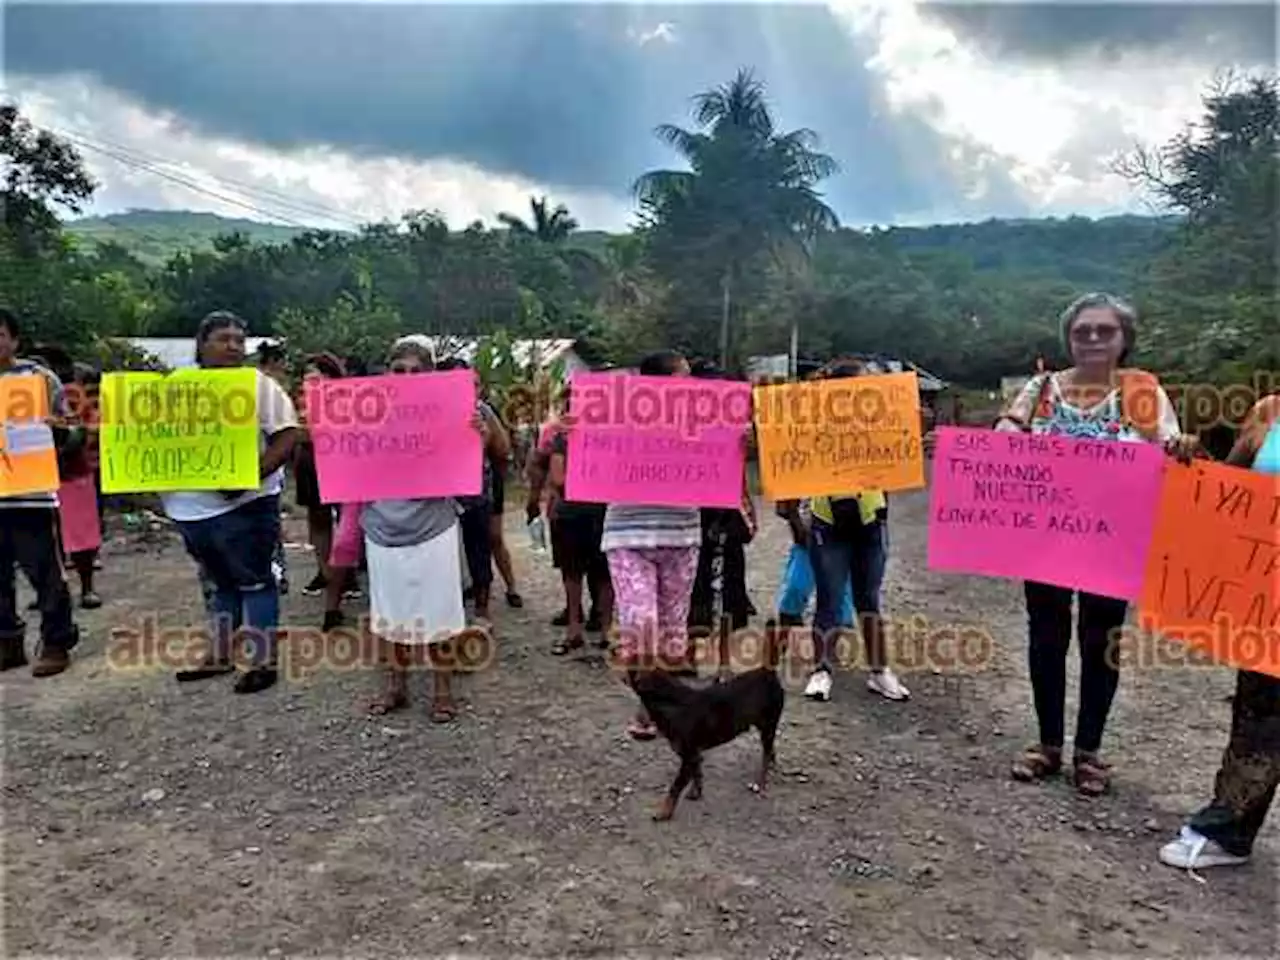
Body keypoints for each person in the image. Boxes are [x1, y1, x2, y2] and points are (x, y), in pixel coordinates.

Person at [998, 292, 1198, 795]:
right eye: (1082, 330)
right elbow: (1008, 426)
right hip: (1044, 535)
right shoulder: (1042, 387)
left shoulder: (1143, 392)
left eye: (1104, 330)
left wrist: (1180, 449)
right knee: (1046, 635)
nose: (1091, 338)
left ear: (1124, 339)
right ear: (1068, 336)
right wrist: (1005, 435)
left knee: (1100, 639)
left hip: (1113, 536)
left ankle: (1089, 751)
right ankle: (1047, 744)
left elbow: (1168, 447)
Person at [1159, 392, 1279, 870]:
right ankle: (1228, 831)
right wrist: (1192, 458)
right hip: (1269, 598)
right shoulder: (1269, 412)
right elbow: (1226, 493)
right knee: (1260, 713)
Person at [164, 311, 299, 695]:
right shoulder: (176, 386)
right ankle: (221, 653)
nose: (234, 346)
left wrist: (250, 475)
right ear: (201, 343)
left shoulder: (257, 385)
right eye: (224, 338)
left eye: (240, 340)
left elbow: (288, 436)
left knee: (255, 581)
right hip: (190, 509)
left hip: (247, 506)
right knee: (221, 583)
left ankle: (262, 660)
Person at [362, 339, 485, 722]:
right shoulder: (364, 413)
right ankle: (395, 687)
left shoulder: (452, 411)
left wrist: (477, 432)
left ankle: (443, 691)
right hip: (382, 525)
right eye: (399, 370)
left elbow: (493, 454)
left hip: (434, 526)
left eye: (417, 371)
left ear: (431, 374)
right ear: (387, 373)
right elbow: (345, 460)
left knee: (441, 611)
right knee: (388, 612)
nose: (407, 378)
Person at [604, 350, 703, 741]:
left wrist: (739, 441)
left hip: (682, 532)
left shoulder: (704, 419)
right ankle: (651, 702)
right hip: (629, 534)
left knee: (673, 635)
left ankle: (656, 704)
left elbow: (728, 462)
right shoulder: (616, 416)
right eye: (684, 376)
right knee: (641, 627)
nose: (691, 385)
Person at [803, 357, 910, 704]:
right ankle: (821, 669)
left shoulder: (881, 421)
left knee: (869, 599)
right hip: (828, 520)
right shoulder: (812, 423)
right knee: (829, 600)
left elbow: (901, 455)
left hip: (870, 519)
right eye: (863, 383)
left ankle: (880, 671)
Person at [0, 309, 82, 677]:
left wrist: (57, 432)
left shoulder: (37, 378)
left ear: (14, 340)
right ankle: (8, 642)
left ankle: (56, 641)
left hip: (29, 494)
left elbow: (73, 428)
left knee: (44, 570)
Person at [435, 357, 509, 626]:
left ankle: (482, 612)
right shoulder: (426, 413)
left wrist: (485, 433)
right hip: (438, 499)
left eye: (473, 384)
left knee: (479, 552)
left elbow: (502, 451)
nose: (469, 389)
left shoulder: (482, 412)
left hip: (475, 495)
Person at [546, 385, 613, 655]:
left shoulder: (611, 437)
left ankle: (607, 629)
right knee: (572, 573)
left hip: (600, 513)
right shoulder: (562, 437)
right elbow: (558, 478)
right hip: (572, 514)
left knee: (604, 574)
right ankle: (574, 628)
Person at [529, 392, 602, 631]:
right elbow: (540, 465)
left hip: (586, 508)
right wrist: (536, 498)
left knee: (596, 566)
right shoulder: (554, 431)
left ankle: (597, 612)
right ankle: (576, 613)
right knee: (571, 564)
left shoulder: (607, 434)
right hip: (566, 507)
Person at [258, 341, 291, 595]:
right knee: (270, 529)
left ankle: (275, 572)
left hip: (268, 469)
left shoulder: (264, 386)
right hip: (265, 466)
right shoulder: (266, 387)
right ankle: (276, 572)